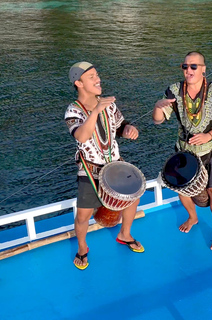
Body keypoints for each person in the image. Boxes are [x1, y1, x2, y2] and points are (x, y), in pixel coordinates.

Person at [65, 62, 144, 270]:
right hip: (90, 169)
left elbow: (120, 126)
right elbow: (82, 136)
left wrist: (128, 129)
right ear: (79, 83)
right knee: (83, 215)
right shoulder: (73, 110)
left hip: (114, 165)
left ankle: (124, 234)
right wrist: (96, 110)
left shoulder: (108, 103)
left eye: (97, 74)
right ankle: (82, 248)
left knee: (133, 198)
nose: (98, 79)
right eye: (91, 77)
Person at [152, 51, 212, 251]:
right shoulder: (174, 91)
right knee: (181, 189)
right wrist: (157, 106)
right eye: (185, 66)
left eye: (193, 66)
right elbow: (158, 120)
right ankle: (193, 217)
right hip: (185, 153)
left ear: (203, 69)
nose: (188, 70)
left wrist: (210, 135)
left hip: (211, 150)